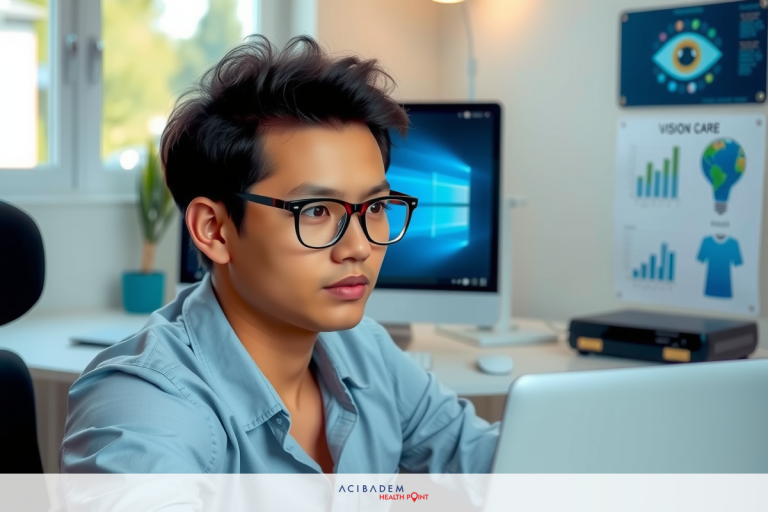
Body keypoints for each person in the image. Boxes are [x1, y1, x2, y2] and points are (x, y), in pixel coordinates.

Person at [60, 35, 498, 474]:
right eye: (315, 211)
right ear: (214, 230)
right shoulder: (144, 406)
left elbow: (493, 466)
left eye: (376, 207)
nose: (360, 247)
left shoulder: (363, 348)